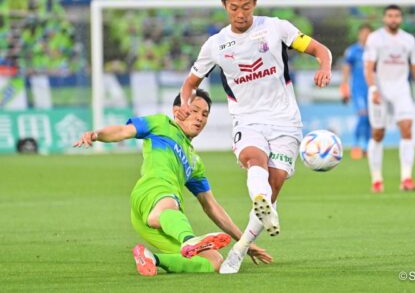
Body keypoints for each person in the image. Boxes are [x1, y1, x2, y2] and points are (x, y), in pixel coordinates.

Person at [178, 0, 332, 274]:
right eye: (234, 7)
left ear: (255, 3)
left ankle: (240, 248)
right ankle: (261, 200)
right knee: (253, 159)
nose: (240, 13)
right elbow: (190, 83)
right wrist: (185, 104)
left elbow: (319, 50)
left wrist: (324, 66)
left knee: (274, 182)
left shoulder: (276, 28)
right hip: (247, 119)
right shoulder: (216, 45)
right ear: (225, 6)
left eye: (246, 6)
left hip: (286, 121)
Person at [73, 89, 272, 275]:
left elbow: (211, 206)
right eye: (194, 110)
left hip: (158, 222)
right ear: (178, 111)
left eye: (204, 114)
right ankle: (188, 240)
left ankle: (152, 259)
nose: (199, 118)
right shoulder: (162, 124)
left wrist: (244, 242)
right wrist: (96, 135)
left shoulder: (195, 162)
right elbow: (124, 131)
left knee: (214, 261)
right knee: (168, 203)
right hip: (152, 190)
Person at [363, 5, 415, 193]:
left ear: (401, 19)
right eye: (390, 16)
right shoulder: (375, 38)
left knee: (407, 129)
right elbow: (368, 67)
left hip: (401, 89)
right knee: (378, 133)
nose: (393, 19)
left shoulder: (409, 40)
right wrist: (373, 88)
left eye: (397, 16)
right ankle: (376, 179)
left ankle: (406, 178)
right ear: (385, 18)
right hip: (380, 90)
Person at [340, 24, 372, 160]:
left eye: (368, 34)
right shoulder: (352, 51)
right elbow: (346, 69)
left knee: (371, 120)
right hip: (358, 89)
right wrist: (344, 87)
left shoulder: (374, 51)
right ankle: (357, 145)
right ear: (359, 34)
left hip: (372, 89)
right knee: (363, 116)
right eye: (363, 33)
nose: (365, 36)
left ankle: (368, 147)